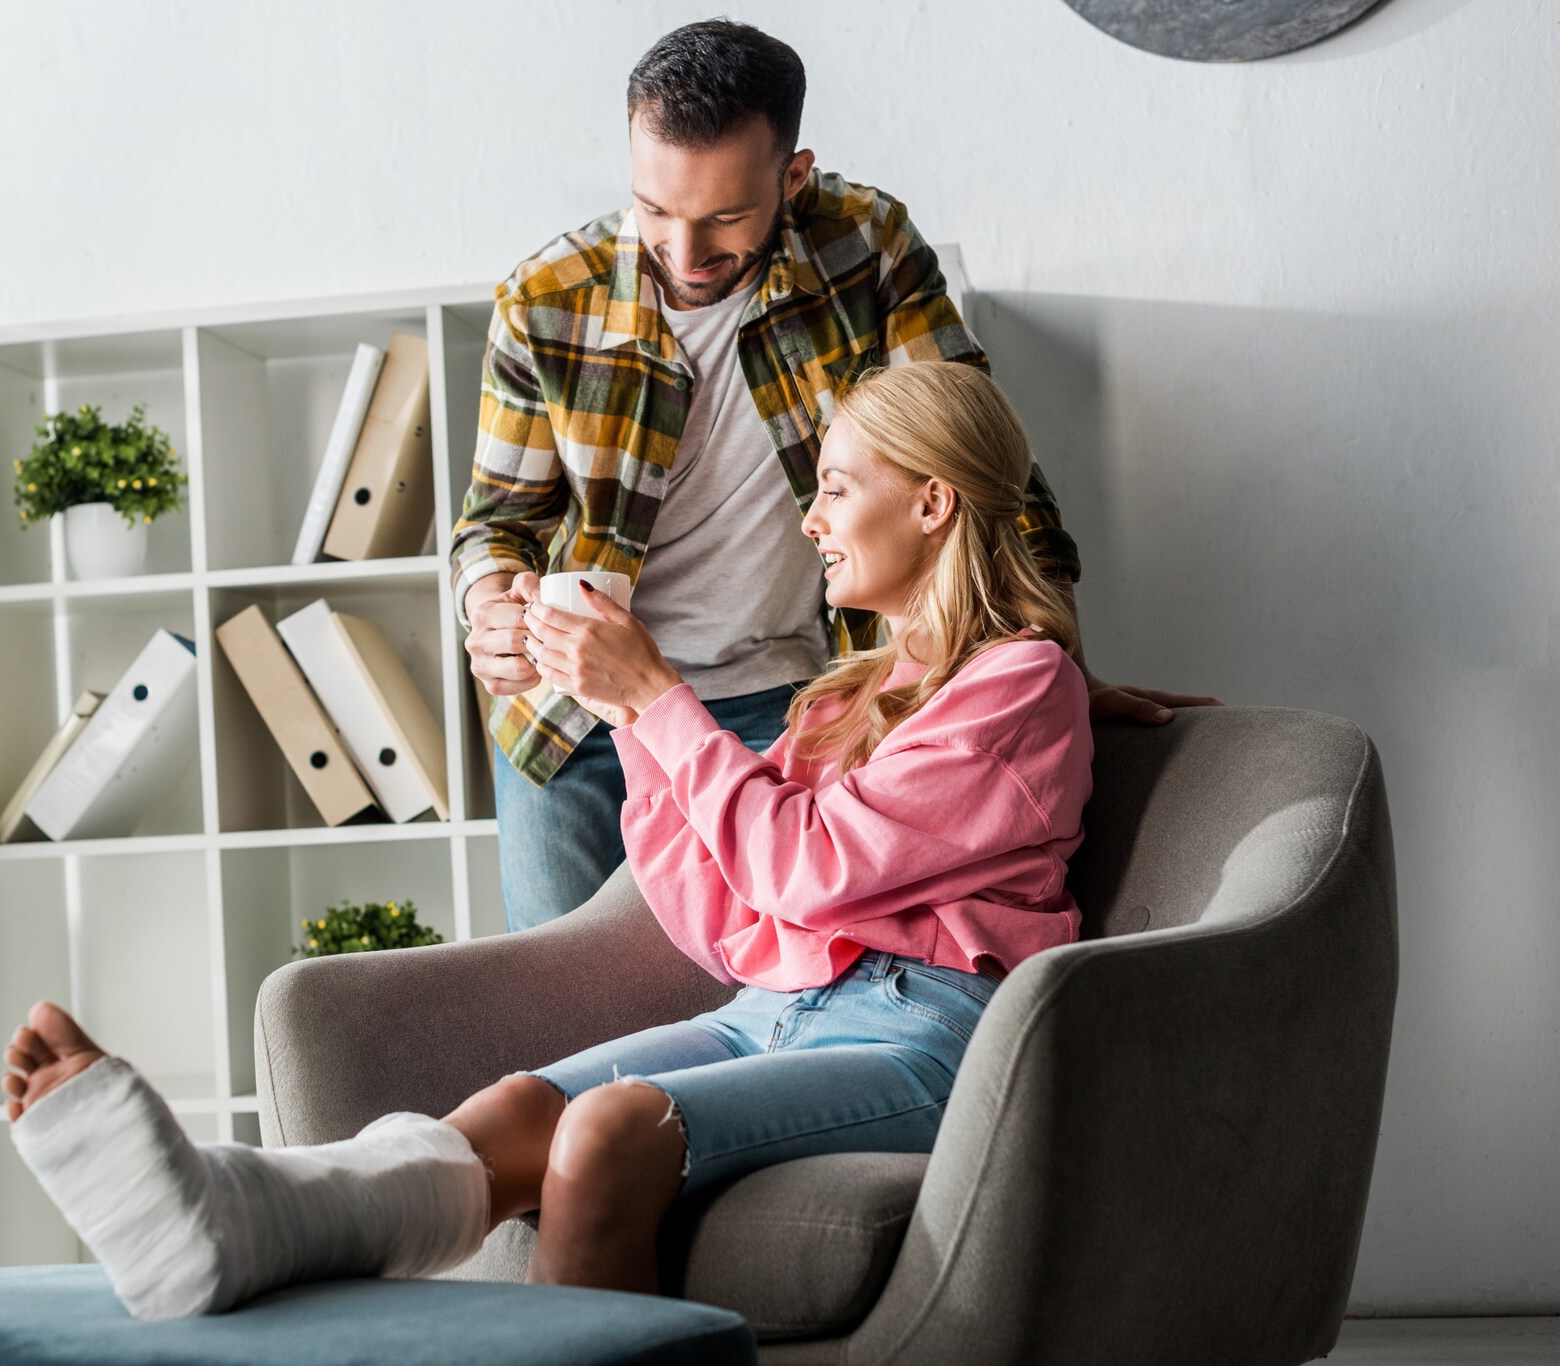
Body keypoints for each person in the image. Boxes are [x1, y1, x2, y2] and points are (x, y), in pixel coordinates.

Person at [3, 361, 1101, 1316]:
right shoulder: (842, 699)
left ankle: (241, 1223)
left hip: (921, 1038)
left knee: (605, 1132)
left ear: (932, 501)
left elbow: (807, 865)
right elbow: (723, 915)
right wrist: (627, 714)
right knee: (518, 1108)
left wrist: (660, 695)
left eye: (836, 488)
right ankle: (223, 1221)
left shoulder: (1021, 682)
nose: (810, 520)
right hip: (768, 1008)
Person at [453, 20, 1215, 932]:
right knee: (566, 993)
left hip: (799, 707)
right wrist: (490, 607)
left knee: (781, 986)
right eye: (655, 210)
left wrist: (1056, 671)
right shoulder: (543, 302)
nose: (685, 254)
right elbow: (497, 523)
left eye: (725, 218)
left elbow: (975, 461)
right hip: (577, 717)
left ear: (794, 177)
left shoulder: (867, 246)